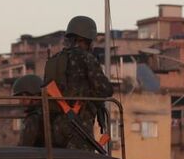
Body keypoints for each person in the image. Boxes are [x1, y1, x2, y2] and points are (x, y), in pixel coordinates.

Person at [43, 16, 114, 150]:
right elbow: (105, 89)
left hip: (56, 124)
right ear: (89, 39)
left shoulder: (55, 60)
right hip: (79, 123)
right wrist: (89, 97)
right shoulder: (86, 57)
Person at [12, 74, 45, 148]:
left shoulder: (33, 118)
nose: (20, 102)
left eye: (23, 98)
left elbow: (24, 147)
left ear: (34, 96)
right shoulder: (44, 113)